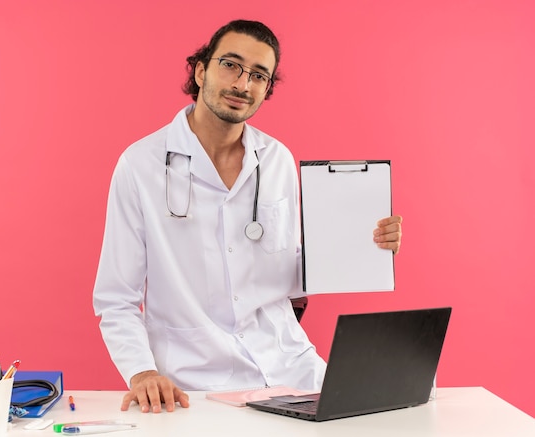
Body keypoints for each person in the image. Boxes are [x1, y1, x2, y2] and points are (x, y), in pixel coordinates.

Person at [92, 19, 402, 414]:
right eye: (231, 65)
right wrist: (142, 372)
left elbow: (288, 272)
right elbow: (116, 297)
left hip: (292, 369)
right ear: (201, 70)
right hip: (196, 382)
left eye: (259, 75)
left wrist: (366, 242)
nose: (243, 83)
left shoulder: (277, 160)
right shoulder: (141, 165)